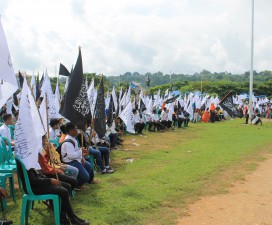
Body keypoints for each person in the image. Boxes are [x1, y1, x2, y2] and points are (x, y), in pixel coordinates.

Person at [16, 162, 89, 225]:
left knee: (65, 186)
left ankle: (64, 218)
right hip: (34, 188)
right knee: (63, 191)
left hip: (38, 184)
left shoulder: (28, 158)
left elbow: (39, 175)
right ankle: (72, 218)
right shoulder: (25, 161)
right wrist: (50, 180)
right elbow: (33, 181)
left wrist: (48, 179)